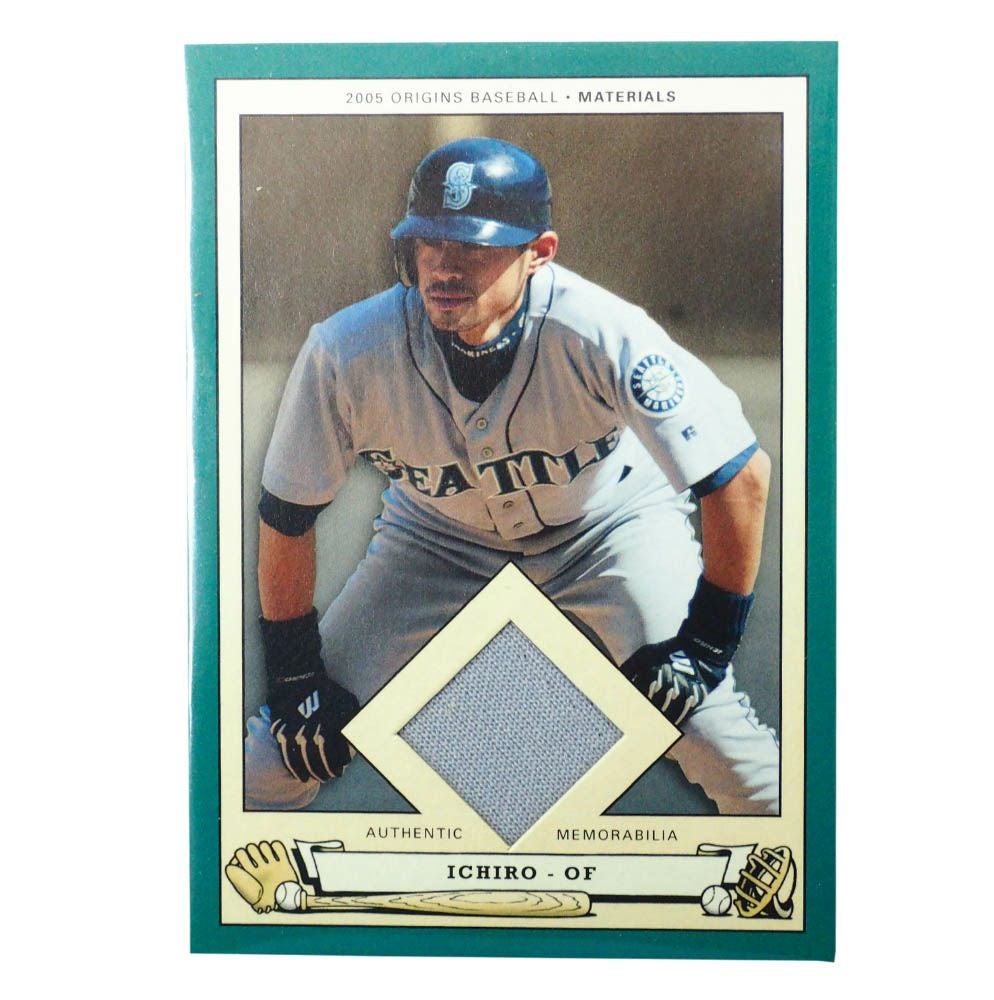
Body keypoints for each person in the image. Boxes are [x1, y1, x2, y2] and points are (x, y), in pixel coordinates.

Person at [245, 136, 779, 814]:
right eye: (430, 243)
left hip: (609, 530)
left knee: (716, 743)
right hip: (434, 543)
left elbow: (741, 477)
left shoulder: (600, 331)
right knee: (275, 757)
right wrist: (295, 675)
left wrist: (704, 646)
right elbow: (286, 515)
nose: (445, 267)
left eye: (474, 247)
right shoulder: (348, 351)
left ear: (539, 252)